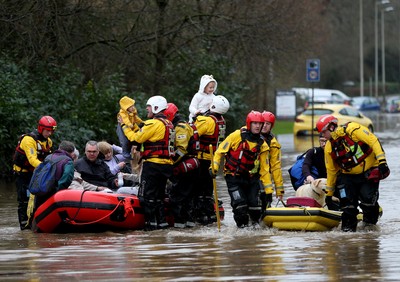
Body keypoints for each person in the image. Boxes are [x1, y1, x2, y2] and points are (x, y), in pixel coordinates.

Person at [316, 114, 390, 232]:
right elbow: (331, 171)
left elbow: (374, 141)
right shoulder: (329, 147)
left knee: (368, 202)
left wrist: (382, 162)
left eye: (323, 132)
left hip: (368, 171)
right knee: (347, 207)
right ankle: (348, 234)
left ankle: (370, 229)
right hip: (347, 176)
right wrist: (329, 194)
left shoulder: (353, 129)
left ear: (331, 127)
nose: (322, 135)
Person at [211, 111, 273, 228]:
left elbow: (265, 170)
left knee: (255, 208)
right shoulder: (236, 136)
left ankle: (254, 232)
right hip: (233, 176)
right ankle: (241, 231)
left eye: (260, 124)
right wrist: (214, 167)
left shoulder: (263, 145)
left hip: (251, 179)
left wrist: (269, 191)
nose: (258, 126)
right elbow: (219, 152)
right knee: (240, 207)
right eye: (255, 123)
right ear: (249, 124)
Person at [122, 95, 175, 230]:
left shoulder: (153, 123)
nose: (147, 109)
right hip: (166, 166)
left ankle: (150, 226)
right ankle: (161, 224)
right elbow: (144, 128)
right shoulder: (169, 124)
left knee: (147, 196)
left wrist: (124, 125)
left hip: (153, 165)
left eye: (149, 107)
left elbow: (136, 138)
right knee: (159, 196)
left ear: (156, 108)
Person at [13, 115, 57, 230]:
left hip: (36, 174)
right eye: (47, 131)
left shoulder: (48, 142)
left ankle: (36, 222)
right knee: (24, 200)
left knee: (39, 198)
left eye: (51, 131)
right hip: (23, 174)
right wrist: (47, 169)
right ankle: (24, 226)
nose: (49, 133)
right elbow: (32, 159)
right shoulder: (29, 140)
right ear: (41, 129)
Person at [192, 95, 230, 225]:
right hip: (213, 160)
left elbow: (192, 133)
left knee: (199, 188)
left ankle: (201, 214)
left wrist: (194, 118)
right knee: (208, 189)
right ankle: (209, 213)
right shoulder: (221, 120)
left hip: (202, 159)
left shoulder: (207, 121)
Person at [164, 102, 199, 228]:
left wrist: (171, 163)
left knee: (178, 197)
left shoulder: (181, 127)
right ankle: (188, 225)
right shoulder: (178, 125)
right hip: (188, 166)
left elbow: (181, 149)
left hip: (185, 167)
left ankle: (180, 227)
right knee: (186, 197)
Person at [28, 140, 76, 221]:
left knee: (38, 216)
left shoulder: (48, 157)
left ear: (59, 148)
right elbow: (66, 179)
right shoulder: (68, 161)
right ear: (72, 152)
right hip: (53, 194)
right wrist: (59, 192)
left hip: (40, 191)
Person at [260, 111, 284, 209]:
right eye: (263, 123)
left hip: (265, 179)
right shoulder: (248, 136)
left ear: (271, 126)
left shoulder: (274, 144)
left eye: (268, 124)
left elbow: (276, 167)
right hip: (250, 177)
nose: (264, 126)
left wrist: (279, 190)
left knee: (266, 201)